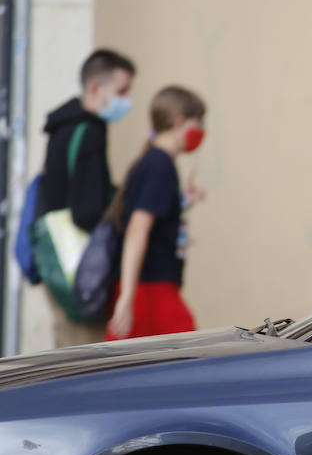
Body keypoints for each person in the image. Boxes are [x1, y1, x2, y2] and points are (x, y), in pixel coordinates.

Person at [37, 48, 137, 346]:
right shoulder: (90, 132)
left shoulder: (62, 127)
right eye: (122, 90)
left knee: (62, 354)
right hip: (82, 270)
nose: (126, 99)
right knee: (83, 360)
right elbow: (87, 211)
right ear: (95, 88)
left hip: (56, 262)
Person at [104, 86, 208, 341]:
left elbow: (150, 219)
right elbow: (137, 229)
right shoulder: (160, 165)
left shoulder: (153, 161)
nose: (203, 130)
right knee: (193, 360)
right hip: (149, 290)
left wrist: (182, 203)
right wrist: (128, 298)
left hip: (148, 288)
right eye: (199, 122)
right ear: (180, 121)